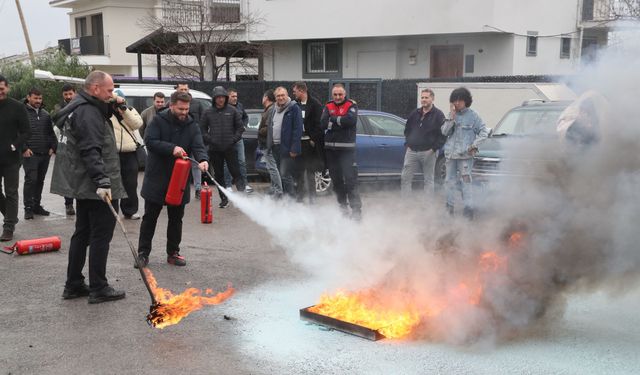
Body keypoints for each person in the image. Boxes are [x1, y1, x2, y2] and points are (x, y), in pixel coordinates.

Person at [50, 70, 127, 303]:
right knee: (100, 236)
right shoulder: (88, 112)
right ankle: (99, 288)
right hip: (96, 184)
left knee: (82, 233)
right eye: (109, 90)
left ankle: (73, 284)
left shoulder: (80, 106)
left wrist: (113, 105)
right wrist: (103, 182)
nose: (112, 94)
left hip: (84, 184)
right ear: (95, 89)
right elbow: (91, 149)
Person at [136, 91, 208, 268]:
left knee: (176, 219)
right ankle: (143, 254)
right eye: (181, 109)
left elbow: (198, 145)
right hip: (157, 177)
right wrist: (171, 148)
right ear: (171, 105)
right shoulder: (158, 121)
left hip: (179, 179)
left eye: (187, 109)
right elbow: (150, 141)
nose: (184, 112)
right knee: (150, 218)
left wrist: (203, 159)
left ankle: (173, 252)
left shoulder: (192, 124)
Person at [440, 87, 489, 220]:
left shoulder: (473, 116)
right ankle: (449, 210)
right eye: (454, 100)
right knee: (448, 182)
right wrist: (451, 118)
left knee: (465, 182)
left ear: (466, 101)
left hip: (465, 157)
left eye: (459, 100)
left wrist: (474, 145)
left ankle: (468, 211)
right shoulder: (451, 115)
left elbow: (484, 132)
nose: (456, 103)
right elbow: (444, 132)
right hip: (450, 155)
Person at [320, 84, 362, 219]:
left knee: (351, 182)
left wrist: (333, 120)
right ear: (332, 95)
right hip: (331, 151)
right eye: (335, 95)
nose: (338, 97)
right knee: (337, 182)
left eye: (340, 94)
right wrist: (339, 121)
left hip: (347, 151)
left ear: (344, 94)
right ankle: (343, 209)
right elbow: (322, 124)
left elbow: (351, 121)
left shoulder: (351, 105)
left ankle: (356, 212)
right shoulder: (328, 106)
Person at [200, 86, 245, 208]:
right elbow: (202, 129)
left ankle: (242, 198)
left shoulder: (232, 110)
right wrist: (210, 140)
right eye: (218, 97)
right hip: (215, 150)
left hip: (230, 148)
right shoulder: (207, 112)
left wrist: (234, 139)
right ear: (214, 99)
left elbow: (240, 128)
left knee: (236, 173)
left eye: (222, 97)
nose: (220, 100)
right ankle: (224, 199)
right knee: (219, 175)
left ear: (225, 98)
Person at [0, 75, 31, 242]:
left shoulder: (17, 107)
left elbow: (27, 131)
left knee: (11, 192)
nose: (0, 92)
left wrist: (15, 145)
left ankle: (8, 226)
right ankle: (11, 215)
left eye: (1, 89)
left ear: (7, 88)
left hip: (11, 158)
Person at [400, 88, 446, 197]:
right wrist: (408, 144)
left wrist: (434, 149)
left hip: (428, 152)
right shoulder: (414, 113)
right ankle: (405, 203)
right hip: (411, 151)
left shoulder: (438, 115)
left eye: (426, 97)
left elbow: (443, 134)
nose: (424, 99)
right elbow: (407, 129)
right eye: (422, 97)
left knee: (428, 180)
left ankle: (427, 206)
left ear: (432, 99)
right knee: (405, 178)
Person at [22, 87, 57, 220]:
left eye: (40, 98)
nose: (38, 101)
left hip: (45, 154)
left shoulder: (46, 114)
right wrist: (24, 148)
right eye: (35, 98)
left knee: (40, 181)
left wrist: (53, 147)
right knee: (31, 180)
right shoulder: (22, 113)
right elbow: (17, 132)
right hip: (30, 153)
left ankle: (37, 206)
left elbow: (51, 133)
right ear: (28, 97)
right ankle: (28, 208)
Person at [110, 90, 144, 220]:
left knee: (130, 183)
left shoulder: (129, 110)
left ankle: (130, 210)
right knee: (113, 182)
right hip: (113, 151)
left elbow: (137, 124)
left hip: (129, 152)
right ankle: (112, 210)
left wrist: (124, 111)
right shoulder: (105, 112)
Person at [292, 81, 324, 203]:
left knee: (310, 172)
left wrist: (312, 139)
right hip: (298, 144)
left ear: (301, 91)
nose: (294, 93)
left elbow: (319, 125)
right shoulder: (295, 105)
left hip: (309, 145)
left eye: (295, 91)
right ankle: (299, 198)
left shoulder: (315, 104)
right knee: (298, 172)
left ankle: (312, 199)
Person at [175, 82, 206, 199]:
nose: (184, 91)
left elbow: (204, 121)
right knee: (178, 165)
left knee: (195, 165)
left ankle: (198, 189)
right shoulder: (171, 104)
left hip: (192, 139)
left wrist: (200, 135)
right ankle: (178, 189)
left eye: (186, 89)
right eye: (181, 89)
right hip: (178, 141)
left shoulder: (197, 104)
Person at [272, 87, 303, 198]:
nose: (280, 98)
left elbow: (298, 129)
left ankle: (291, 200)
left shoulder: (294, 108)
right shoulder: (274, 109)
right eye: (278, 96)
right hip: (275, 147)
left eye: (282, 95)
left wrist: (294, 148)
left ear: (287, 95)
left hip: (287, 148)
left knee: (285, 175)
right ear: (275, 98)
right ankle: (284, 199)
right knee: (279, 175)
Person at [52, 84, 77, 216]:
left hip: (79, 147)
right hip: (65, 146)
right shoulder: (59, 108)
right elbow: (57, 123)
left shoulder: (81, 105)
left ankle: (81, 203)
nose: (68, 97)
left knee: (79, 177)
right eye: (66, 94)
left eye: (70, 94)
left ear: (75, 93)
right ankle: (68, 204)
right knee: (67, 177)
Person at [225, 88, 253, 193]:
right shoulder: (224, 107)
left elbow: (245, 117)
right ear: (228, 97)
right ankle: (228, 186)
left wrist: (244, 125)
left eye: (236, 96)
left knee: (242, 161)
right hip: (227, 140)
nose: (235, 98)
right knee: (227, 163)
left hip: (239, 139)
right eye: (233, 96)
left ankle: (244, 185)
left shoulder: (240, 106)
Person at [257, 89, 283, 197]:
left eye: (263, 96)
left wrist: (259, 130)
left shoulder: (271, 110)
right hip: (267, 143)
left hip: (268, 144)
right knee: (271, 167)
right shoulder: (269, 109)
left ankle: (278, 190)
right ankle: (274, 188)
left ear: (266, 98)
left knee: (272, 167)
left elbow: (269, 128)